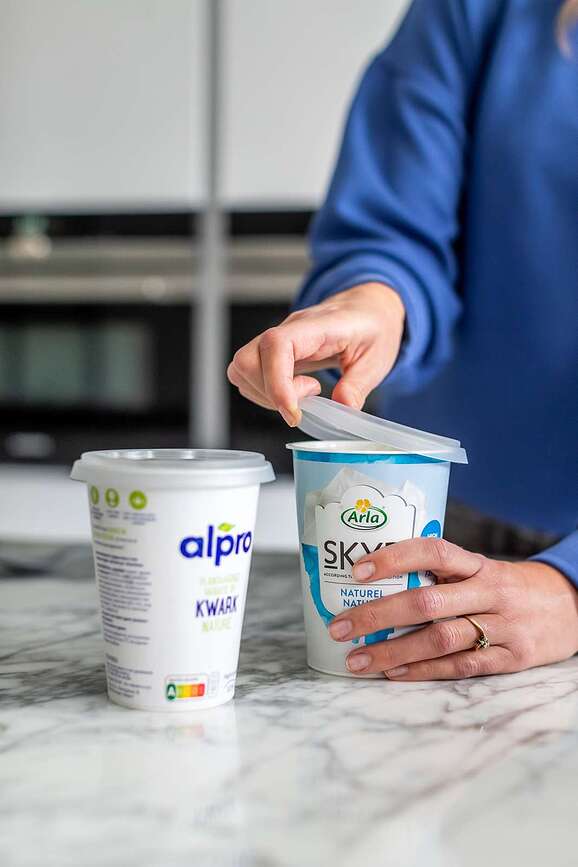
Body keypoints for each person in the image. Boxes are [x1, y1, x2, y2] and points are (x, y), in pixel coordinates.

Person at [228, 0, 578, 680]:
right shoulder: (472, 11)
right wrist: (373, 302)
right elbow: (395, 225)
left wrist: (570, 586)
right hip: (441, 531)